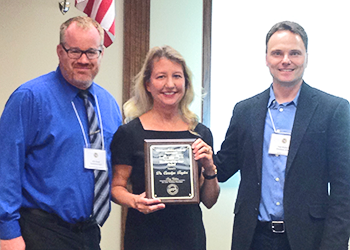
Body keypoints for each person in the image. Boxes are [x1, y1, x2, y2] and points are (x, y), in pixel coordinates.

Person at [215, 21, 350, 250]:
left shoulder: (334, 110)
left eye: (294, 53)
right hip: (253, 238)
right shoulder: (244, 111)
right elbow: (224, 168)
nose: (285, 60)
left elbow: (343, 189)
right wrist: (194, 148)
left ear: (306, 57)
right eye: (277, 53)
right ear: (266, 58)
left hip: (308, 240)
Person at [0, 16, 122, 250]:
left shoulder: (108, 104)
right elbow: (6, 167)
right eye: (75, 51)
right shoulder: (30, 98)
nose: (84, 60)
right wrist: (7, 232)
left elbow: (117, 165)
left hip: (88, 233)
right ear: (60, 51)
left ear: (101, 54)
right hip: (40, 232)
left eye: (91, 52)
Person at [110, 45, 220, 250]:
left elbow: (210, 201)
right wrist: (134, 201)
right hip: (144, 237)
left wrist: (210, 168)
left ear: (186, 83)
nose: (170, 84)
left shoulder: (200, 133)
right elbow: (116, 188)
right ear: (148, 84)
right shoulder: (129, 133)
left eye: (177, 76)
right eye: (161, 77)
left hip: (190, 238)